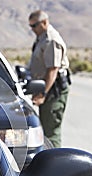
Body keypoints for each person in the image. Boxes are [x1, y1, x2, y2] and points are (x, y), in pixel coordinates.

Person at [27, 10, 71, 148]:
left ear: (44, 22)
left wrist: (42, 94)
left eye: (34, 26)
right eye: (31, 26)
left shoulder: (51, 40)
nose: (32, 30)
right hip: (47, 88)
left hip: (53, 90)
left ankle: (55, 166)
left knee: (51, 132)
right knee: (45, 130)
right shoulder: (42, 38)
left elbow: (52, 71)